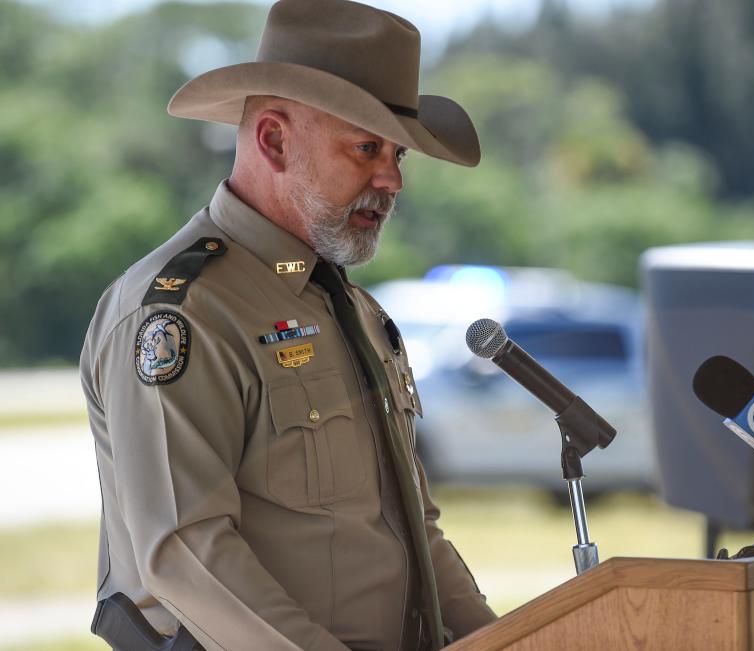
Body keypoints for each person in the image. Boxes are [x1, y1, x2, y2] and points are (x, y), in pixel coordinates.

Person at [79, 0, 497, 649]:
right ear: (274, 140)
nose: (392, 179)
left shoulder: (351, 309)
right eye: (366, 148)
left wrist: (501, 639)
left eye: (396, 154)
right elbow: (187, 554)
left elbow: (414, 528)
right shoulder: (180, 311)